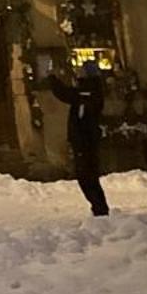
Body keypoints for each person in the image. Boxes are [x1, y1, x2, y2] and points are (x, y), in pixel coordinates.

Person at [45, 59, 109, 215]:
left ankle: (100, 209)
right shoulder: (86, 91)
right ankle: (98, 208)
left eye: (81, 71)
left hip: (86, 142)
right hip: (82, 141)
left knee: (87, 176)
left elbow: (66, 94)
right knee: (86, 176)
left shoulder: (89, 91)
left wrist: (53, 79)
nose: (78, 73)